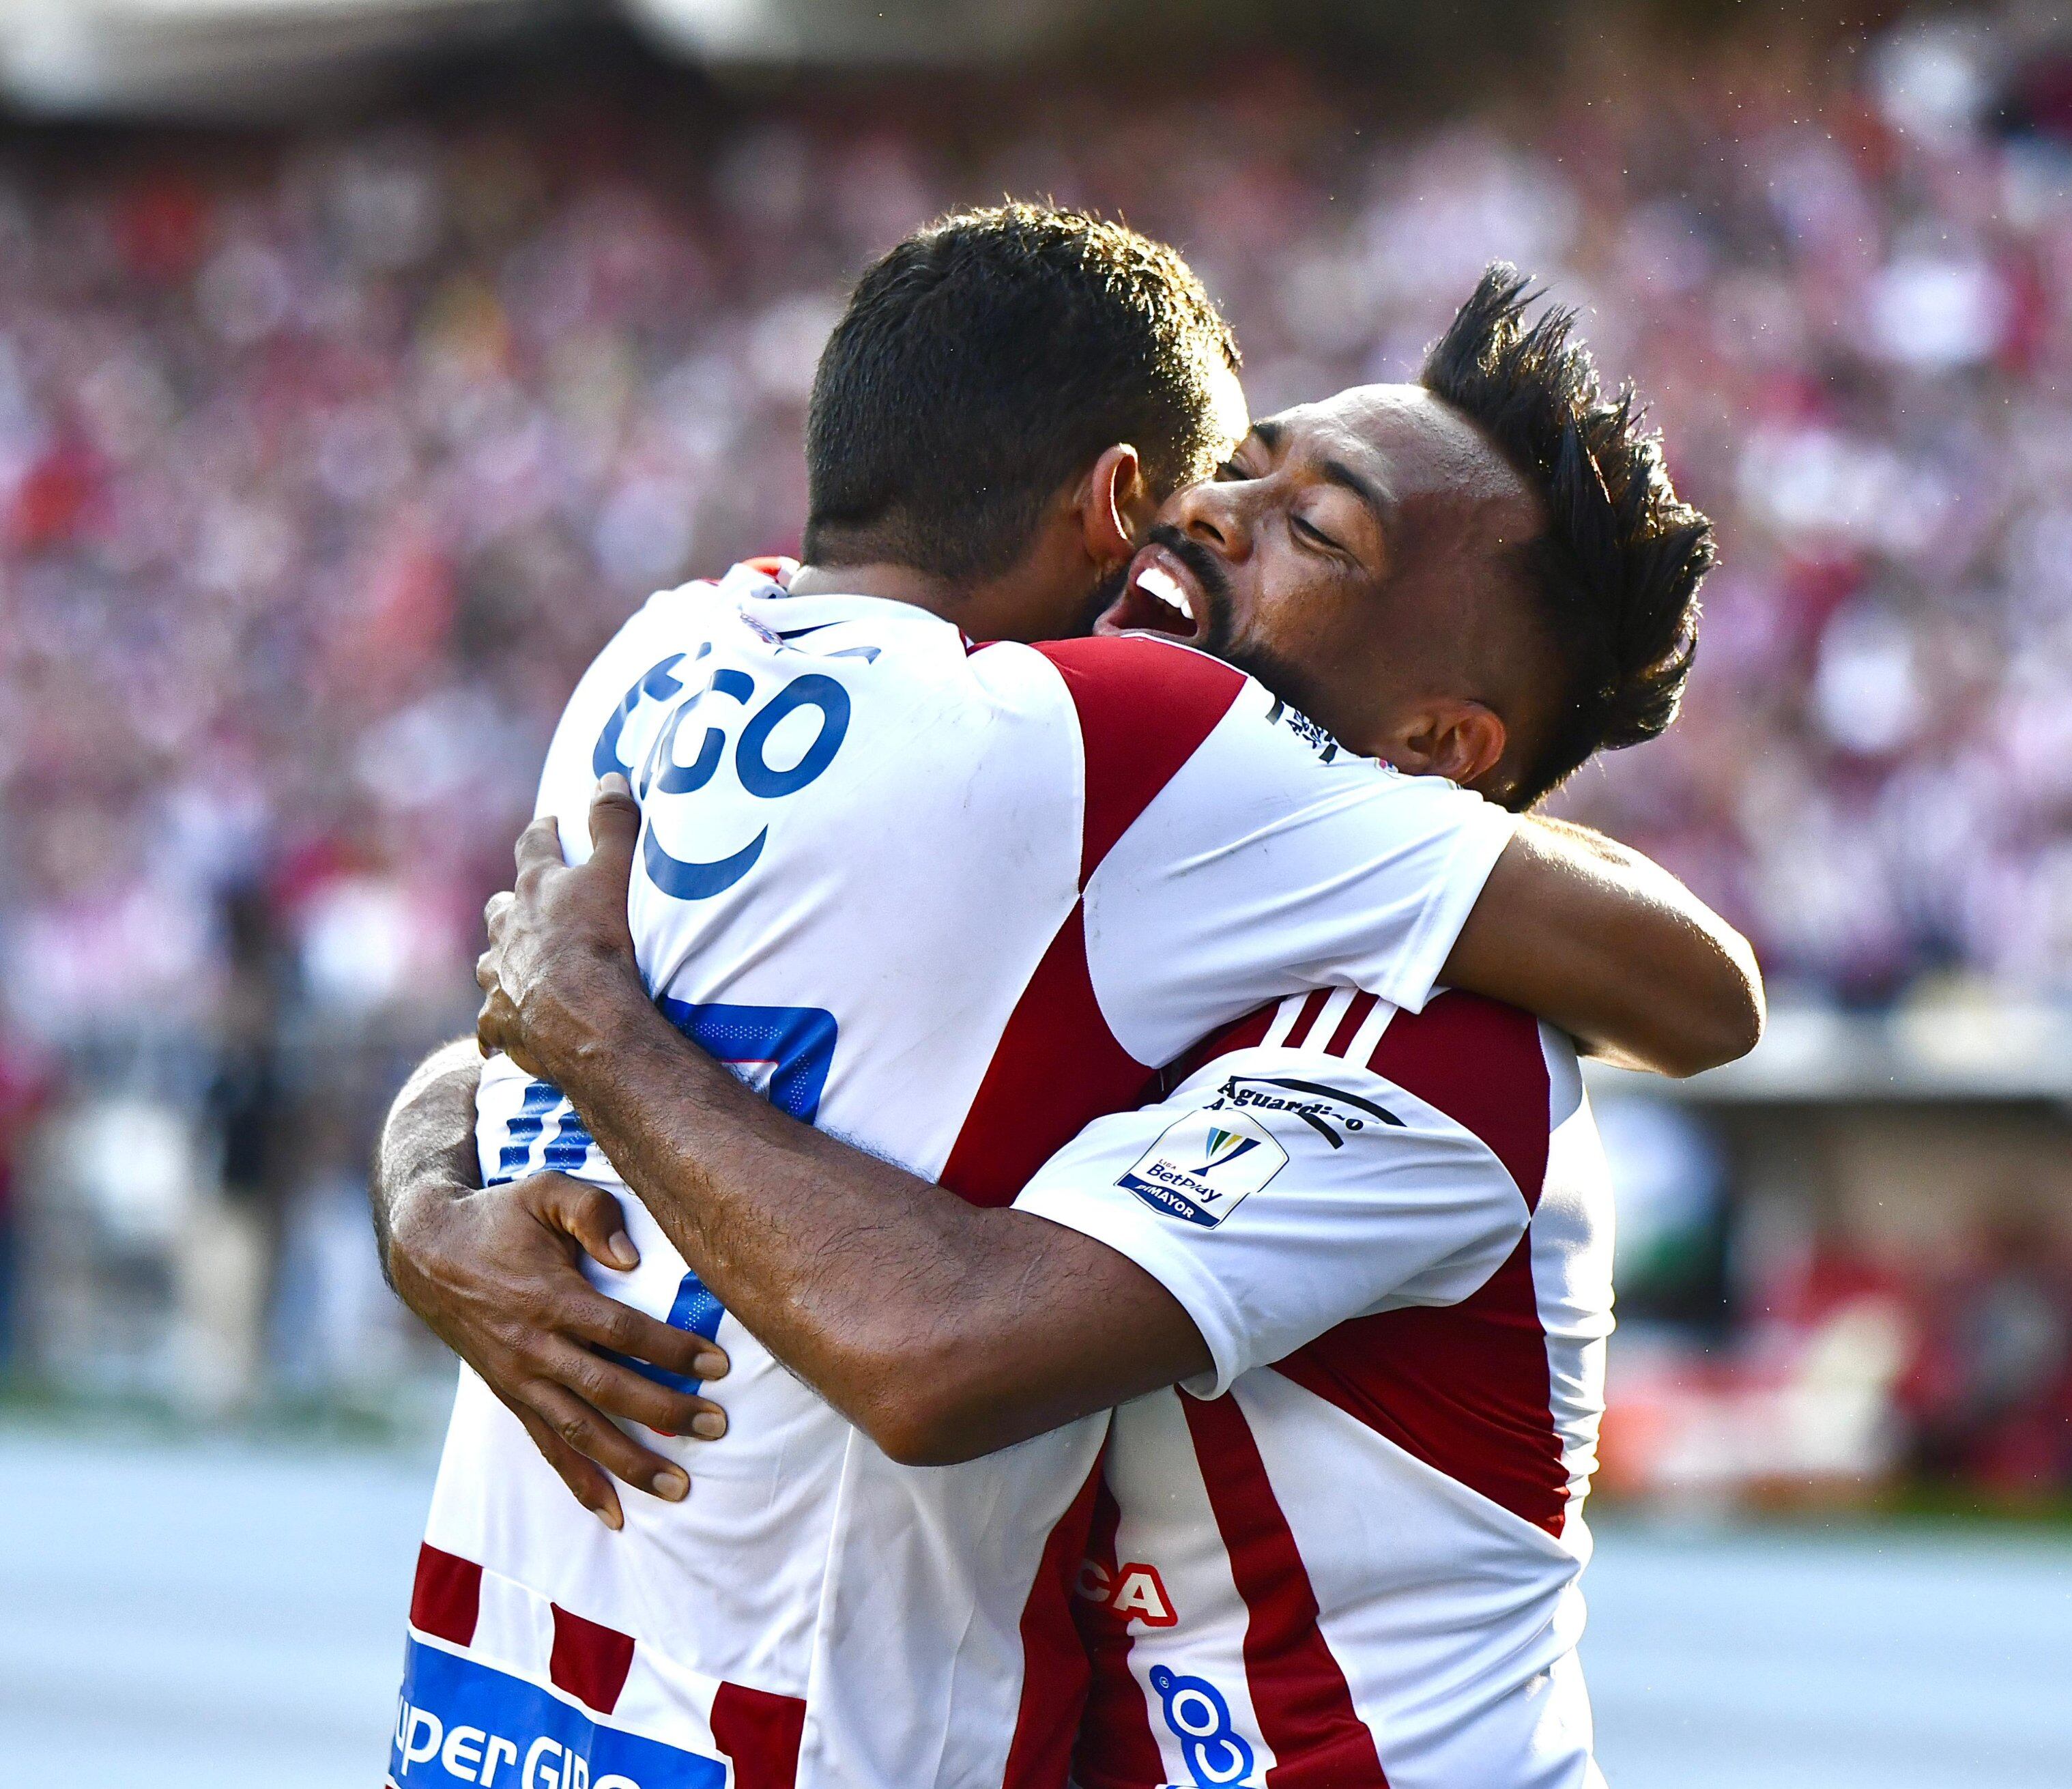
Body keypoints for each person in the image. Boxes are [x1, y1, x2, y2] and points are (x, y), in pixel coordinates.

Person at [377, 205, 1752, 1789]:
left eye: (1322, 532)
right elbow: (522, 1023)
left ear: (1442, 760)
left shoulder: (1428, 1049)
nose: (1214, 511)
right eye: (1244, 462)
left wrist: (592, 1034)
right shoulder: (1065, 850)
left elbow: (933, 1349)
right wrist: (429, 1198)